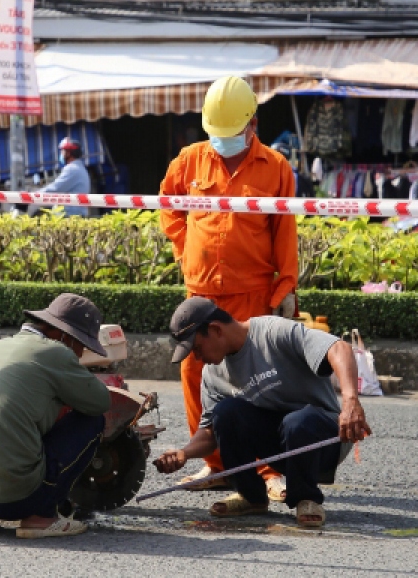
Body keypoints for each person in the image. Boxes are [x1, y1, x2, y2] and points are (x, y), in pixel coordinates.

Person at [158, 75, 300, 501]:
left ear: (252, 123)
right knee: (194, 373)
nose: (220, 141)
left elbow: (284, 232)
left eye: (229, 134)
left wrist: (285, 288)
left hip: (251, 295)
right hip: (200, 294)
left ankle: (270, 469)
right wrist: (187, 254)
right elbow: (168, 208)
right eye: (215, 135)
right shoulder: (189, 160)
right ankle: (216, 465)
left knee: (259, 380)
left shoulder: (276, 168)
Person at [154, 297, 370, 528]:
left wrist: (350, 401)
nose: (197, 357)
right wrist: (184, 453)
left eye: (197, 348)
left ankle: (306, 498)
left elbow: (339, 347)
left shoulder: (272, 332)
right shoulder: (213, 374)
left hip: (320, 441)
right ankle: (251, 497)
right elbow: (209, 432)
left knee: (297, 421)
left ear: (216, 329)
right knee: (226, 412)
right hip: (280, 446)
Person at [0, 293, 112, 539]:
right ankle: (41, 517)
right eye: (81, 344)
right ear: (63, 335)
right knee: (92, 421)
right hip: (17, 501)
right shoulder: (55, 353)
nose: (81, 353)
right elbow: (100, 401)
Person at [37, 137, 92, 216]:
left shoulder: (72, 169)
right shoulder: (80, 168)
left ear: (69, 153)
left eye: (63, 151)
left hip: (69, 216)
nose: (61, 154)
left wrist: (33, 196)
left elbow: (55, 189)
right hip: (76, 214)